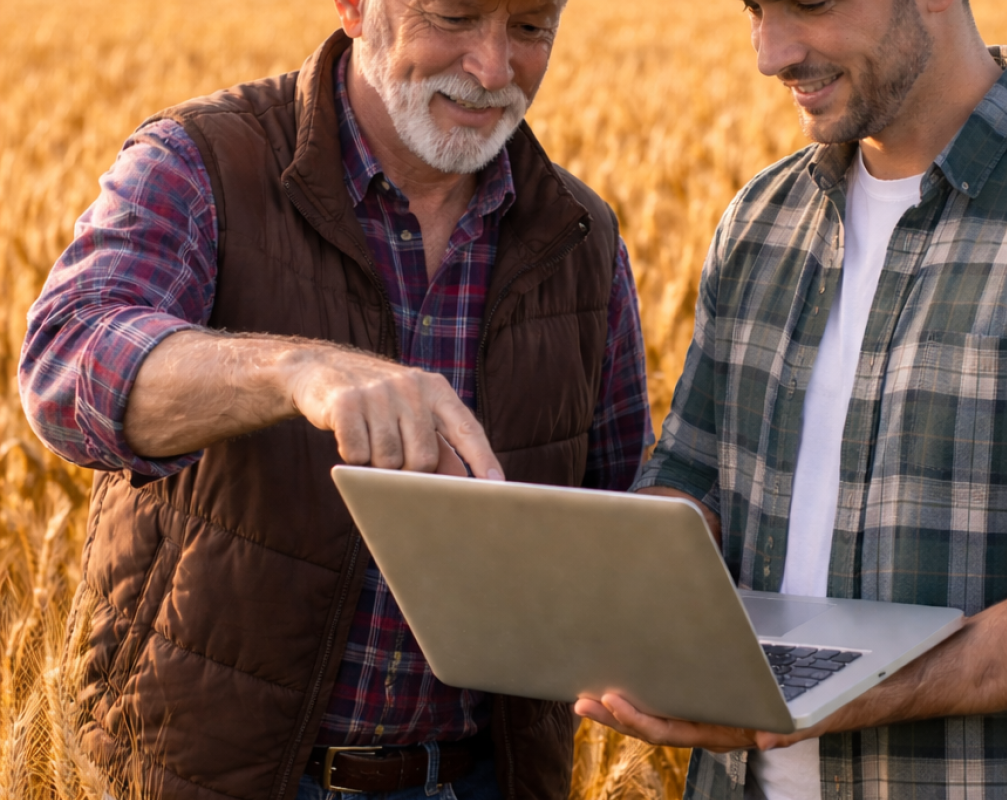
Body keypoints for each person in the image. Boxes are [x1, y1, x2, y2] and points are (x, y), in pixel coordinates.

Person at [18, 0, 652, 798]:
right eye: (454, 16)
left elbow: (629, 522)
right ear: (355, 7)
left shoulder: (582, 239)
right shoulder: (203, 162)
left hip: (479, 780)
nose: (494, 68)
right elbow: (67, 364)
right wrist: (295, 372)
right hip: (215, 778)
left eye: (529, 28)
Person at [574, 0, 1007, 798]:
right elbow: (693, 478)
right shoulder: (762, 222)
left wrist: (835, 692)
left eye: (807, 3)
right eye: (754, 9)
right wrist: (621, 595)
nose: (771, 53)